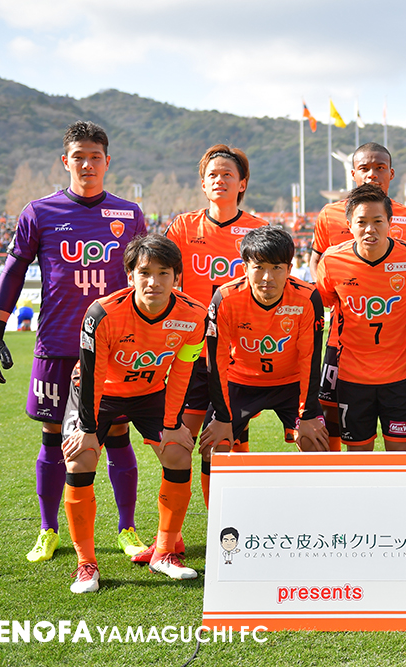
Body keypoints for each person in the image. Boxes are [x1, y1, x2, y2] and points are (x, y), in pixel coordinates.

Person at [0, 120, 148, 563]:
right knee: (53, 435)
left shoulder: (129, 215)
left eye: (95, 157)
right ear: (65, 161)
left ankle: (127, 529)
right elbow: (13, 270)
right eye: (79, 157)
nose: (87, 164)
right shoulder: (39, 212)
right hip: (56, 344)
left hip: (114, 347)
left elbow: (147, 279)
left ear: (107, 162)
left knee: (117, 433)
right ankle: (48, 529)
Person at [61, 234, 206, 593]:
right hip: (98, 394)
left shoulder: (194, 315)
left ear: (177, 277)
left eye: (163, 273)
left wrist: (172, 424)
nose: (153, 282)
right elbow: (92, 375)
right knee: (80, 459)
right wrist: (88, 428)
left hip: (149, 394)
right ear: (130, 276)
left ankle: (164, 553)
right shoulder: (102, 313)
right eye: (144, 273)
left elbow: (182, 373)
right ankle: (86, 565)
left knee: (178, 452)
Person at [309, 142, 406, 453]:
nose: (372, 174)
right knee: (331, 418)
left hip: (394, 343)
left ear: (391, 173)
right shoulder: (330, 215)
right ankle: (339, 476)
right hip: (343, 340)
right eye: (364, 168)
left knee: (398, 444)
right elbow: (318, 264)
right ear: (353, 174)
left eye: (379, 168)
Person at [165, 145, 267, 503]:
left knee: (227, 443)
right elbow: (165, 284)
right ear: (203, 184)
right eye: (213, 175)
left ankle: (228, 521)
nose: (220, 180)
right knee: (178, 443)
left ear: (242, 183)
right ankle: (170, 531)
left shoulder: (258, 229)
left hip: (237, 356)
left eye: (228, 174)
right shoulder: (183, 227)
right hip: (192, 353)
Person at [200, 226, 327, 469]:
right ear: (245, 268)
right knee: (213, 449)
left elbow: (310, 359)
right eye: (259, 267)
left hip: (290, 384)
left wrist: (308, 415)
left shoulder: (308, 298)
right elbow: (216, 364)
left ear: (289, 269)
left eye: (276, 268)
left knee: (316, 444)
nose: (267, 277)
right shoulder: (224, 298)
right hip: (241, 383)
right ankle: (223, 497)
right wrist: (222, 417)